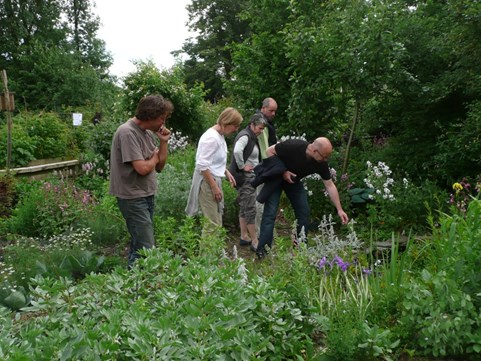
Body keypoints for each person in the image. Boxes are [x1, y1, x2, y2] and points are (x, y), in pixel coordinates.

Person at [254, 137, 349, 258]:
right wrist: (283, 171)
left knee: (303, 212)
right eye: (324, 156)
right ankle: (263, 252)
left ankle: (301, 249)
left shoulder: (321, 163)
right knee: (270, 214)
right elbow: (269, 151)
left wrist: (339, 209)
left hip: (293, 181)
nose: (326, 160)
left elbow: (330, 185)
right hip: (276, 177)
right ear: (315, 151)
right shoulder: (294, 146)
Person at [109, 95, 174, 269]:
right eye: (162, 117)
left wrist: (163, 143)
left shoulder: (146, 134)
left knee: (140, 245)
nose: (163, 122)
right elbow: (143, 168)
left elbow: (159, 166)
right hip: (132, 197)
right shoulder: (127, 132)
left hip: (145, 194)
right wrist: (153, 159)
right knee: (146, 247)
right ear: (150, 115)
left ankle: (133, 286)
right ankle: (137, 286)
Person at [185, 107, 242, 237]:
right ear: (226, 122)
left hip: (213, 179)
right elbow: (202, 165)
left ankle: (214, 255)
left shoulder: (219, 136)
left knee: (216, 221)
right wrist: (214, 186)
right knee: (212, 224)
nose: (236, 129)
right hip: (206, 181)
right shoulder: (211, 138)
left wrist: (226, 172)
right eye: (235, 126)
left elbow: (213, 161)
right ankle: (206, 257)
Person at [229, 117, 266, 251]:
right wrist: (242, 166)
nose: (261, 131)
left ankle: (244, 236)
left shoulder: (250, 136)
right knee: (250, 208)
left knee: (245, 207)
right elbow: (237, 151)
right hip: (246, 177)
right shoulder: (245, 136)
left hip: (249, 176)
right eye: (260, 128)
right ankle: (255, 241)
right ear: (252, 125)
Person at [250, 97, 278, 234]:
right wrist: (269, 167)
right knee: (259, 200)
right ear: (263, 108)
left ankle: (259, 231)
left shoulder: (264, 121)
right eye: (271, 110)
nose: (273, 113)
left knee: (259, 199)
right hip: (261, 168)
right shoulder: (261, 122)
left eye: (275, 111)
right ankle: (259, 233)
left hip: (260, 167)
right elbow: (264, 148)